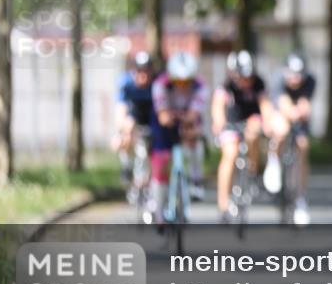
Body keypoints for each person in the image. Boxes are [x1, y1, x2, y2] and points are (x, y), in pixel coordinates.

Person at [211, 50, 275, 223]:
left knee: (253, 133)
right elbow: (218, 107)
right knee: (230, 154)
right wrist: (219, 122)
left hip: (252, 121)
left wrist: (267, 122)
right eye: (242, 77)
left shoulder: (258, 84)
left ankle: (254, 171)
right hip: (231, 124)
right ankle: (223, 203)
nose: (246, 82)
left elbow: (265, 105)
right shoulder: (226, 86)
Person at [150, 52, 210, 220]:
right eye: (178, 82)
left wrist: (187, 124)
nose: (183, 86)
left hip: (188, 118)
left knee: (194, 137)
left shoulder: (201, 86)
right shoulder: (160, 85)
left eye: (187, 82)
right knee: (161, 160)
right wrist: (170, 117)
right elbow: (163, 117)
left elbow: (193, 114)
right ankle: (159, 210)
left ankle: (196, 180)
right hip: (166, 122)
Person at [265, 53, 316, 226]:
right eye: (292, 75)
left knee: (303, 146)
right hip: (280, 111)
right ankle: (273, 162)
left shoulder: (310, 80)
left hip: (299, 117)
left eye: (299, 75)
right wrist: (293, 112)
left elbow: (305, 103)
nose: (295, 80)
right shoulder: (278, 79)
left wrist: (302, 111)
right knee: (282, 131)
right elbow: (284, 103)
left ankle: (301, 199)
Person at [113, 51, 156, 193]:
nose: (143, 76)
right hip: (134, 120)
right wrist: (121, 131)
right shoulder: (127, 84)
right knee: (127, 128)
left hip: (151, 120)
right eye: (139, 71)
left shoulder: (157, 85)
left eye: (146, 72)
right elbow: (120, 110)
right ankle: (127, 166)